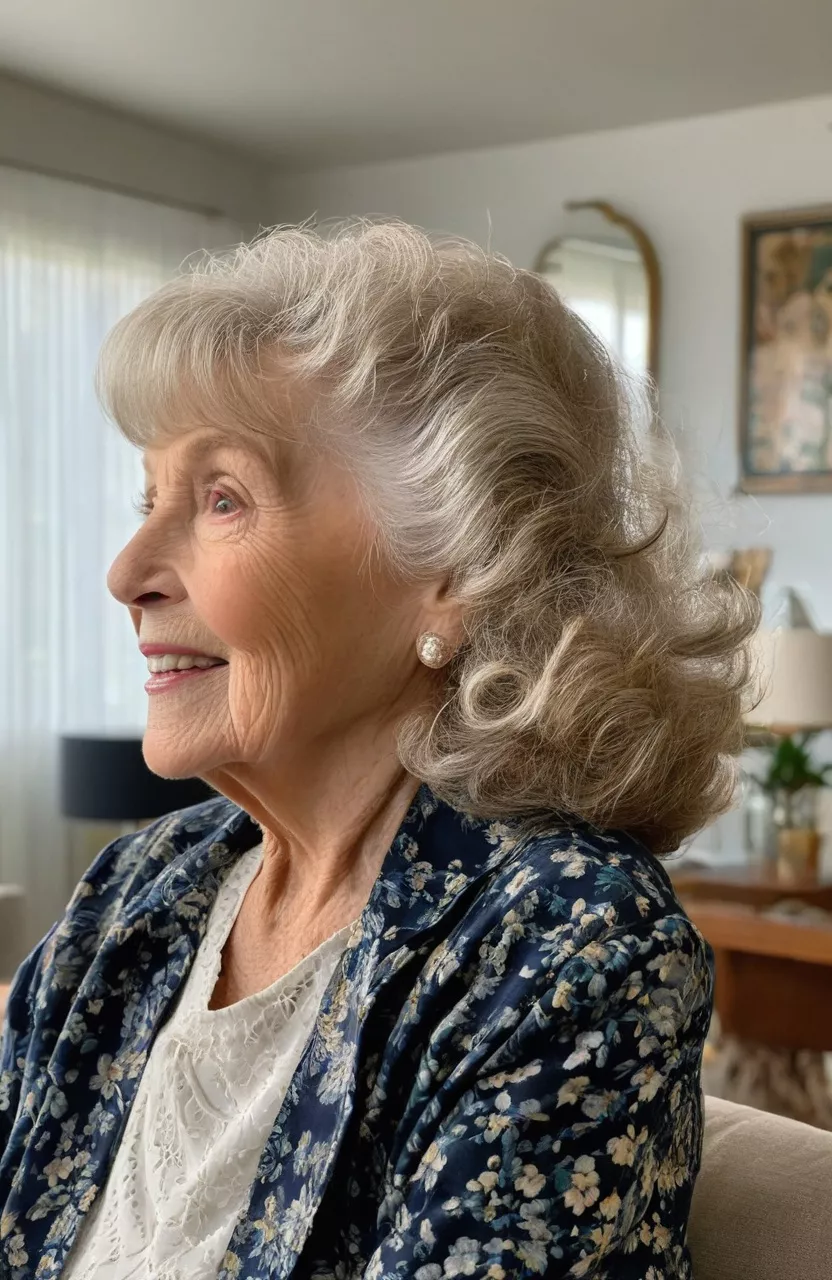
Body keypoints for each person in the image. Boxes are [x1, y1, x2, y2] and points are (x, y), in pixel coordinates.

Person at [0, 221, 754, 1279]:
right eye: (147, 499)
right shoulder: (139, 890)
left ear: (453, 563)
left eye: (222, 497)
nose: (128, 569)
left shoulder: (565, 945)